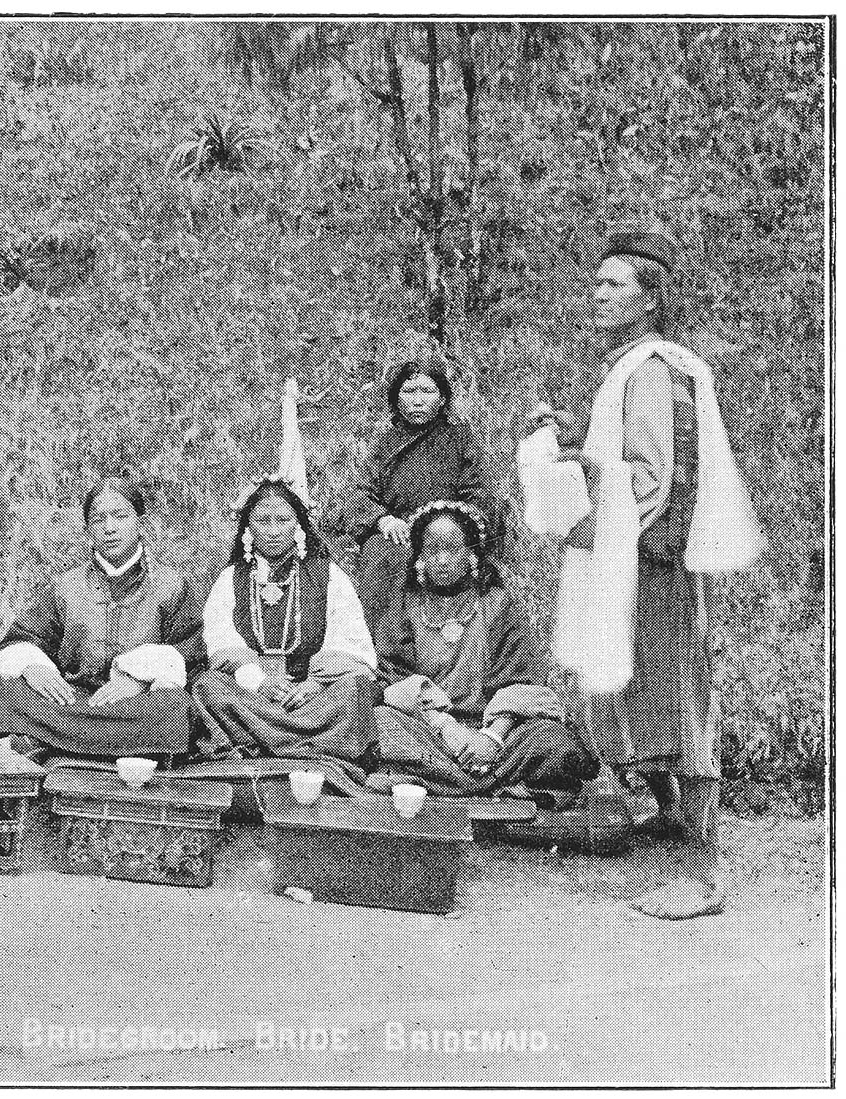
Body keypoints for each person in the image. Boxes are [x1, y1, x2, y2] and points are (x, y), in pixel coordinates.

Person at [535, 227, 762, 920]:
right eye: (596, 282)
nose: (597, 294)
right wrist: (578, 440)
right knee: (644, 692)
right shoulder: (639, 367)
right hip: (645, 552)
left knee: (682, 707)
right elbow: (633, 451)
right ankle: (667, 819)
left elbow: (653, 478)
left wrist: (579, 496)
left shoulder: (653, 369)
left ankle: (703, 870)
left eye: (614, 284)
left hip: (656, 560)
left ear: (650, 297)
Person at [372, 501, 598, 799]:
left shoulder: (497, 604)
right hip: (430, 731)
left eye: (452, 549)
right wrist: (445, 727)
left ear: (471, 554)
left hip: (496, 734)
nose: (442, 560)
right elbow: (394, 679)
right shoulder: (405, 606)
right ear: (419, 558)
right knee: (380, 724)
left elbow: (521, 680)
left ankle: (436, 784)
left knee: (554, 742)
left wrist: (490, 737)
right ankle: (503, 787)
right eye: (432, 550)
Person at [0, 478, 203, 762]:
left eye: (120, 516)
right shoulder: (66, 586)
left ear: (141, 523)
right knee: (8, 693)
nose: (110, 528)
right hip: (72, 700)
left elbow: (192, 655)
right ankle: (124, 751)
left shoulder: (171, 585)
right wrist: (32, 666)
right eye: (99, 519)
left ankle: (59, 747)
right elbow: (25, 637)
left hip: (137, 704)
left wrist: (138, 679)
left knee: (172, 706)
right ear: (88, 530)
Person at [191, 477, 379, 789]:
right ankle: (309, 751)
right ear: (248, 528)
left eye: (283, 519)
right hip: (252, 698)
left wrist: (313, 685)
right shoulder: (230, 579)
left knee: (355, 686)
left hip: (312, 700)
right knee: (209, 686)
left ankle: (258, 749)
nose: (274, 530)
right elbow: (221, 644)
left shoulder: (329, 576)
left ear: (299, 525)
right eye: (263, 520)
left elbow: (354, 648)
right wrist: (259, 681)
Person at [323, 360, 492, 632]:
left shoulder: (461, 440)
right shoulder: (386, 444)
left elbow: (479, 494)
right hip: (398, 532)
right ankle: (380, 647)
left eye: (426, 391)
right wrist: (384, 521)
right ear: (396, 399)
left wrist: (452, 524)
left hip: (448, 530)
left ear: (442, 400)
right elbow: (359, 494)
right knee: (381, 552)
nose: (417, 400)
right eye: (409, 391)